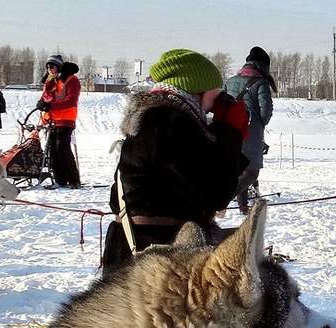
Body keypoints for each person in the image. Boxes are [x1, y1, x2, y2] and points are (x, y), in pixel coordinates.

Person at [102, 49, 249, 275]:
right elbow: (218, 191)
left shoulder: (157, 118)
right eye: (215, 94)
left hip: (141, 246)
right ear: (197, 90)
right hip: (157, 250)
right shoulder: (169, 123)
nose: (215, 104)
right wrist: (229, 131)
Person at [224, 46, 276, 214]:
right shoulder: (260, 82)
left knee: (240, 170)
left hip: (230, 132)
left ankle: (243, 207)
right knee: (251, 172)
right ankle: (223, 200)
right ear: (263, 65)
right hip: (251, 132)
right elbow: (266, 110)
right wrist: (260, 125)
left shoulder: (231, 81)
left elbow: (222, 104)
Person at [38, 55, 82, 187]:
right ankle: (60, 180)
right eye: (47, 67)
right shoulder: (51, 81)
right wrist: (42, 103)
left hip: (66, 119)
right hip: (53, 120)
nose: (49, 69)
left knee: (62, 149)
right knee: (53, 151)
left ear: (59, 67)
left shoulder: (71, 80)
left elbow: (71, 100)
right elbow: (47, 98)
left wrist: (51, 106)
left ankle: (74, 180)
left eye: (52, 66)